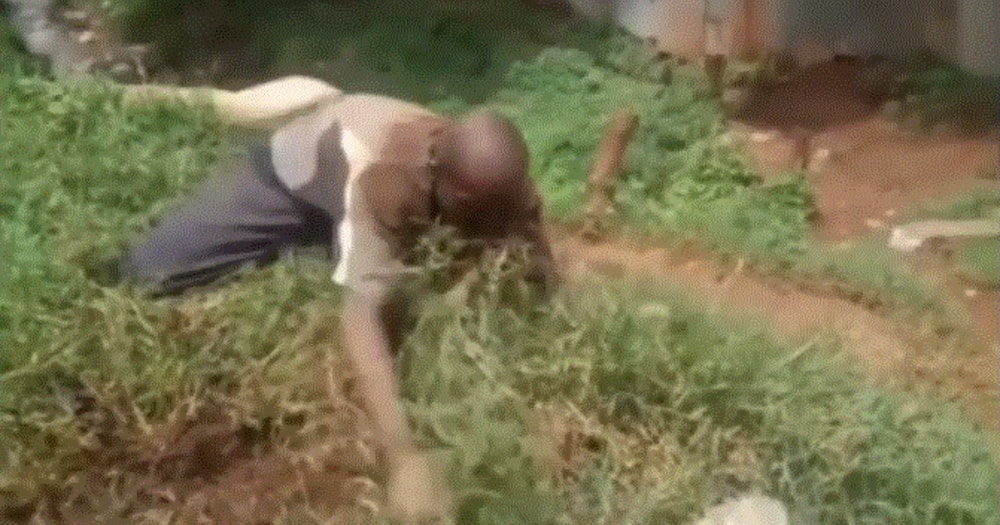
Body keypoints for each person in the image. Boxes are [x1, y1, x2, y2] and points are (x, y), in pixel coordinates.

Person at [120, 76, 555, 521]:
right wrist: (404, 457)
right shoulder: (384, 181)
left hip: (376, 141)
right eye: (475, 213)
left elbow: (530, 241)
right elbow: (361, 317)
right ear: (442, 183)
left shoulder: (493, 180)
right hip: (298, 174)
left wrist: (544, 302)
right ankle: (315, 215)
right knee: (148, 273)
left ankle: (340, 233)